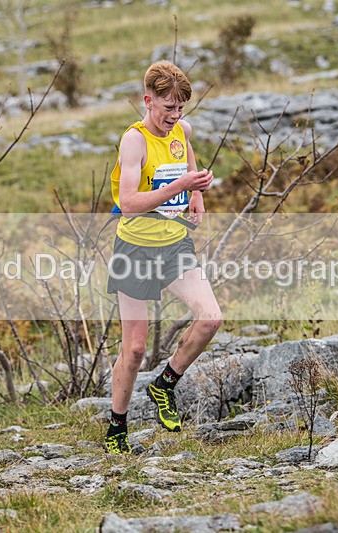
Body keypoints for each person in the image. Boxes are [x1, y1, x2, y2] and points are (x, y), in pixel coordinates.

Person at [104, 61, 223, 454]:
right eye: (167, 108)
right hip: (135, 248)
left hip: (174, 244)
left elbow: (188, 159)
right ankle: (117, 427)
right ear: (148, 100)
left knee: (210, 318)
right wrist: (182, 184)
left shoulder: (181, 131)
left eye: (180, 109)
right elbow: (129, 203)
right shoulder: (133, 141)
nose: (174, 117)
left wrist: (196, 193)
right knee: (135, 349)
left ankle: (165, 384)